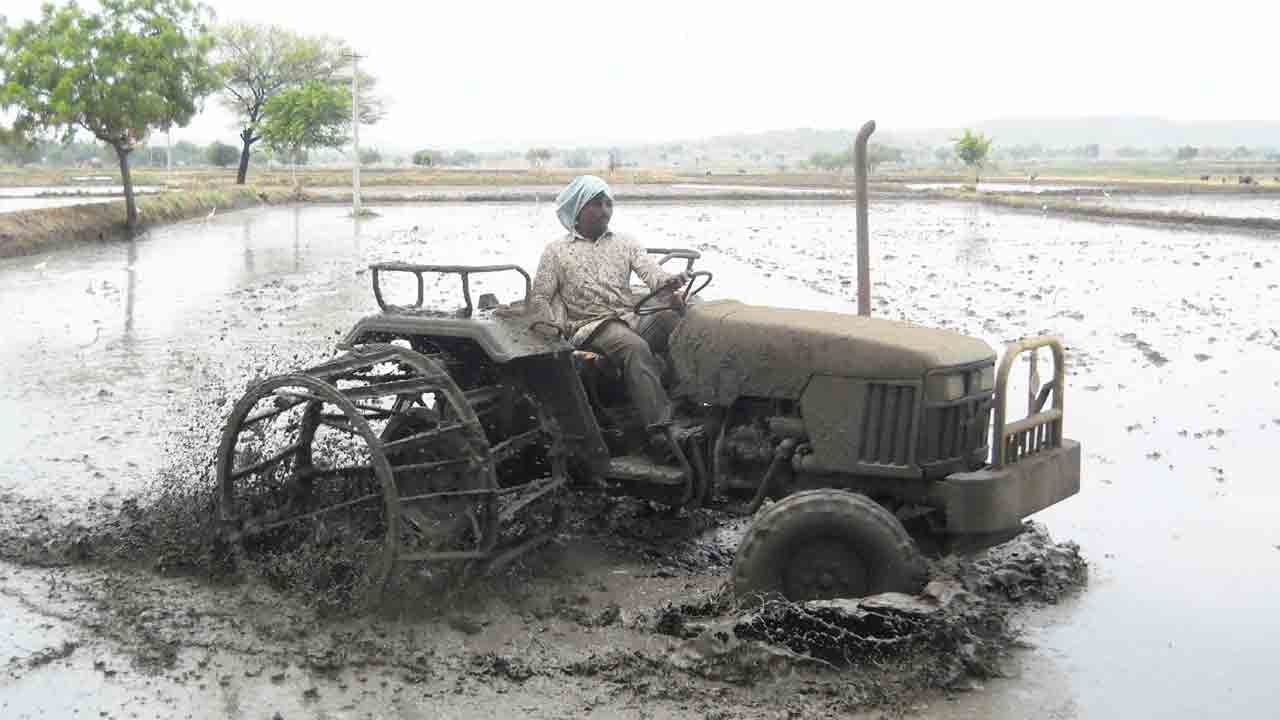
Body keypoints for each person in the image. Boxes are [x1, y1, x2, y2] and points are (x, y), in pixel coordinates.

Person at [528, 175, 688, 443]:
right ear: (578, 210)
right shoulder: (556, 251)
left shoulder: (625, 243)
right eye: (597, 204)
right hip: (590, 326)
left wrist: (670, 283)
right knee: (633, 347)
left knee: (678, 322)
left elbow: (654, 276)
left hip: (629, 318)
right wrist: (552, 332)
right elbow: (541, 297)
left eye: (608, 204)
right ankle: (661, 429)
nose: (605, 210)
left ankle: (686, 396)